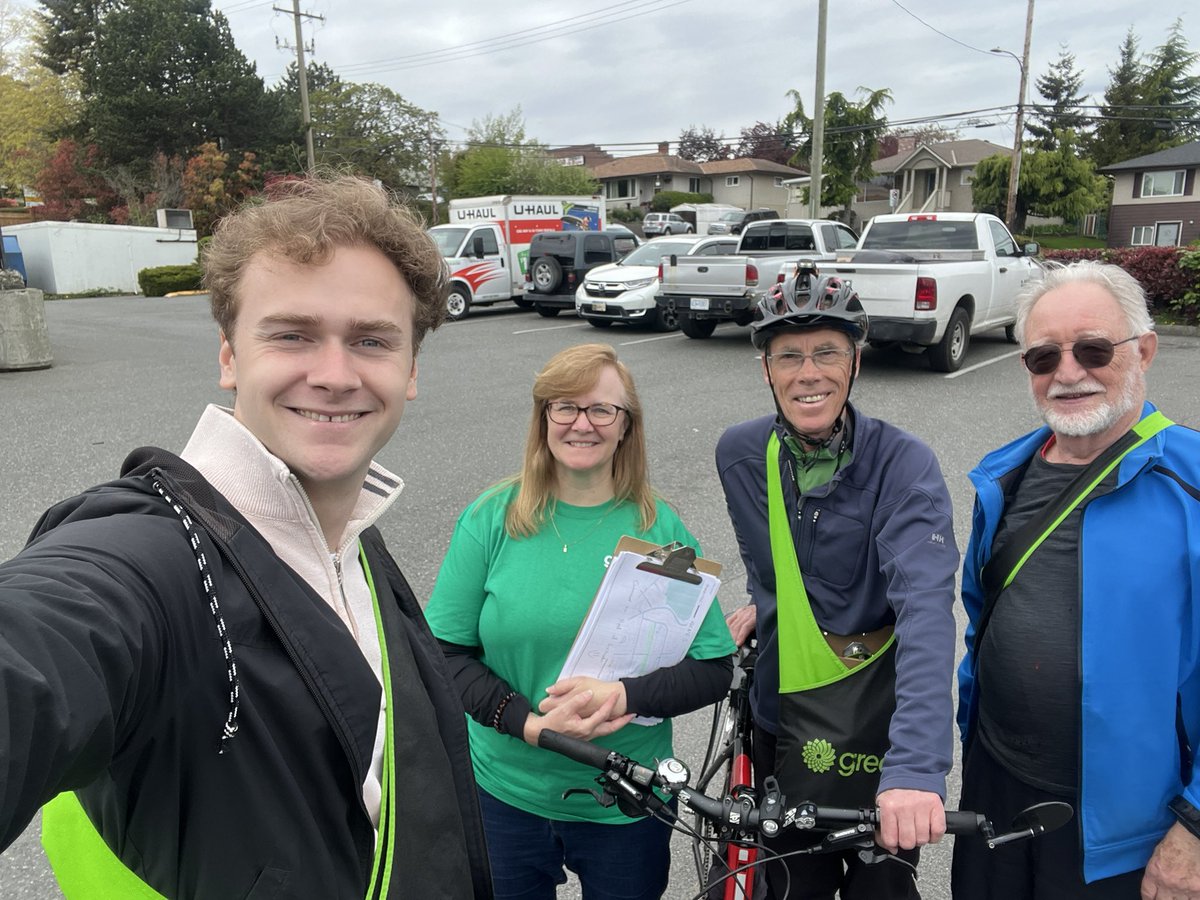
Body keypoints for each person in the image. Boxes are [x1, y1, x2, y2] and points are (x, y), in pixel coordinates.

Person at [0, 175, 493, 899]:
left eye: (371, 340)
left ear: (410, 369)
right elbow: (44, 648)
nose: (334, 374)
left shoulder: (355, 543)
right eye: (293, 334)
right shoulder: (142, 560)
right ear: (229, 356)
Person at [425, 343, 736, 900]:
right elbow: (443, 655)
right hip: (503, 794)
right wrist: (526, 722)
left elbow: (713, 668)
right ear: (543, 418)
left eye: (601, 410)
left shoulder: (661, 532)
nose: (581, 424)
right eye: (564, 407)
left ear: (626, 427)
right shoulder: (492, 517)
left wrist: (626, 695)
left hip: (623, 797)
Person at [953, 260, 1200, 899]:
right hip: (995, 796)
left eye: (1093, 349)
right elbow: (982, 623)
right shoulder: (1003, 478)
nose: (1068, 373)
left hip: (1129, 837)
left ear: (1143, 350)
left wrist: (1196, 829)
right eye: (1043, 357)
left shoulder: (1193, 485)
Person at [716, 270, 959, 899]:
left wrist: (916, 768)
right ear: (764, 368)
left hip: (874, 729)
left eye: (827, 352)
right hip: (781, 720)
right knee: (785, 885)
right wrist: (764, 603)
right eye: (788, 356)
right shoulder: (740, 454)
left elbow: (928, 611)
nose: (808, 373)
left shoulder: (903, 463)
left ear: (854, 360)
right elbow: (768, 559)